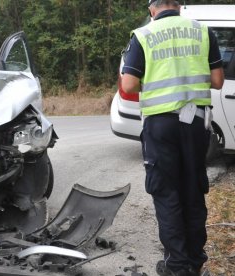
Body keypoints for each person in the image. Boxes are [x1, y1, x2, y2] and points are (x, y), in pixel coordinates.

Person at [121, 0, 225, 275]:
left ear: (151, 9)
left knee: (167, 193)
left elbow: (129, 84)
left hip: (160, 124)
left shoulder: (143, 35)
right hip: (196, 125)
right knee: (193, 190)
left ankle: (177, 266)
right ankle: (195, 261)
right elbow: (217, 81)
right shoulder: (203, 32)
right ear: (179, 6)